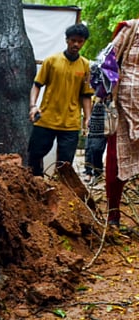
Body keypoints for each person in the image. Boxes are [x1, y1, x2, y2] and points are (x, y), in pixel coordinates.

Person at [28, 23, 95, 177]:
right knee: (35, 155)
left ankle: (59, 193)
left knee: (65, 164)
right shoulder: (52, 61)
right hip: (46, 118)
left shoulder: (85, 66)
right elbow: (37, 85)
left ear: (84, 42)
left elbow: (86, 95)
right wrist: (33, 106)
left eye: (80, 41)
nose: (76, 44)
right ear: (67, 40)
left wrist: (88, 118)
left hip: (70, 122)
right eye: (73, 40)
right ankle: (36, 186)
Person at [105, 19, 139, 226]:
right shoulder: (131, 29)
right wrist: (111, 92)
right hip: (123, 114)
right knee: (115, 166)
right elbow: (106, 62)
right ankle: (113, 216)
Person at [83, 96, 108, 185]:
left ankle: (97, 173)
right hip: (94, 117)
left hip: (107, 117)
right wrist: (87, 117)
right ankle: (88, 172)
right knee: (90, 147)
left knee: (97, 149)